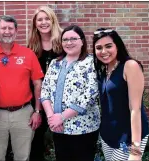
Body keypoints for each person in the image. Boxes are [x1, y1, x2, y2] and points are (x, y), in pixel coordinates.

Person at [0, 15, 43, 161]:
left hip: (24, 113)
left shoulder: (28, 54)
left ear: (16, 31)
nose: (7, 31)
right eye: (3, 28)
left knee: (22, 156)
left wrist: (37, 111)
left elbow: (38, 84)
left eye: (10, 28)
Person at [40, 25, 100, 161]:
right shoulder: (55, 63)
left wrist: (61, 117)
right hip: (58, 127)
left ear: (82, 41)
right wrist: (52, 118)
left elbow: (90, 95)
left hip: (84, 128)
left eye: (73, 38)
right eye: (65, 39)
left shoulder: (91, 62)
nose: (69, 42)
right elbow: (45, 91)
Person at [93, 28, 149, 161]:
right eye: (99, 48)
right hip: (108, 136)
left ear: (117, 45)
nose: (104, 51)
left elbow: (135, 109)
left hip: (128, 136)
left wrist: (135, 149)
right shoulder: (103, 69)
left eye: (108, 46)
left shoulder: (130, 66)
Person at [27, 6, 62, 160]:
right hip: (38, 101)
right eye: (39, 19)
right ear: (35, 24)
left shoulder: (64, 42)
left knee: (63, 142)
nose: (43, 22)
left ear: (53, 20)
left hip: (61, 101)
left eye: (47, 18)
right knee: (36, 142)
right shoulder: (31, 47)